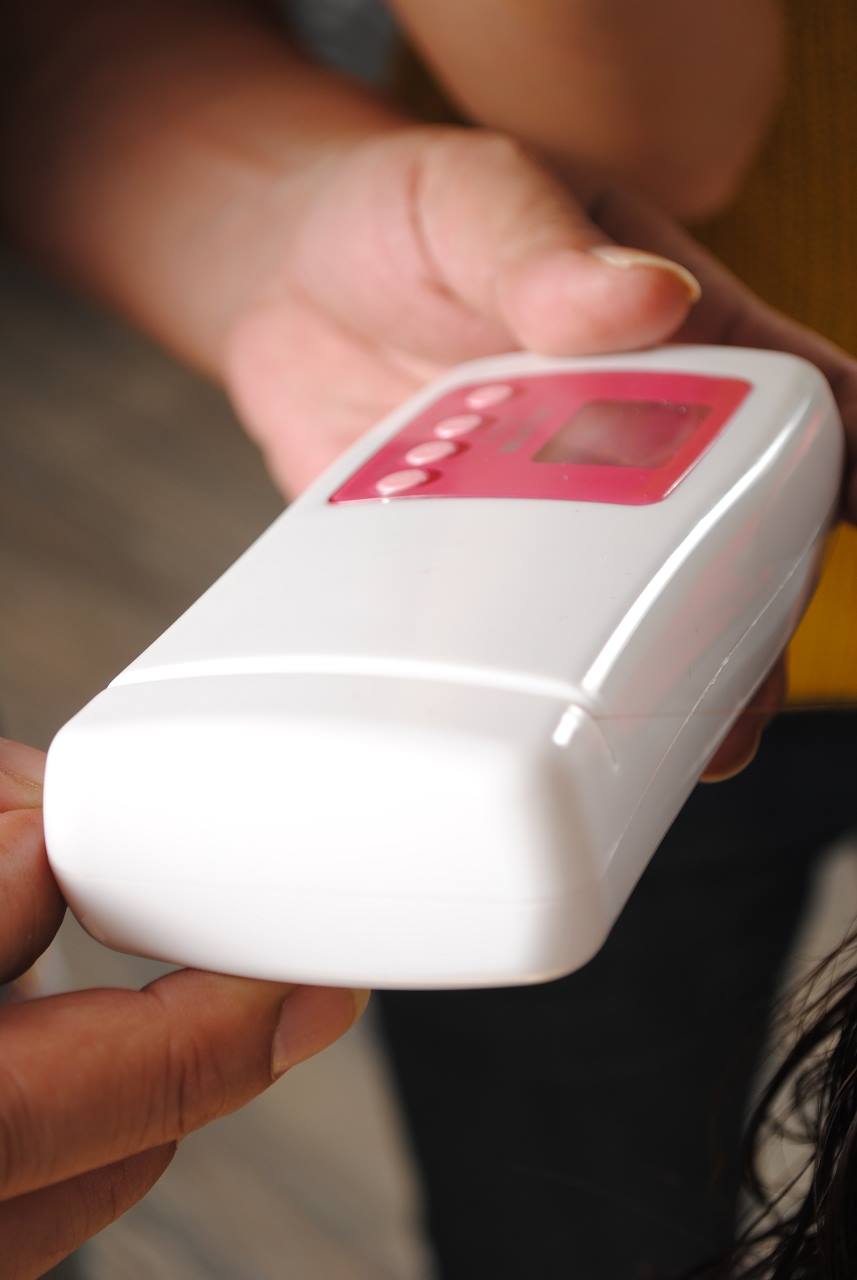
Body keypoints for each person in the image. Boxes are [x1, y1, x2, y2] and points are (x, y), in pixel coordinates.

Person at [2, 2, 856, 1276]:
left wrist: (289, 211)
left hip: (623, 643)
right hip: (581, 687)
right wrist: (291, 215)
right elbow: (656, 133)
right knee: (565, 1189)